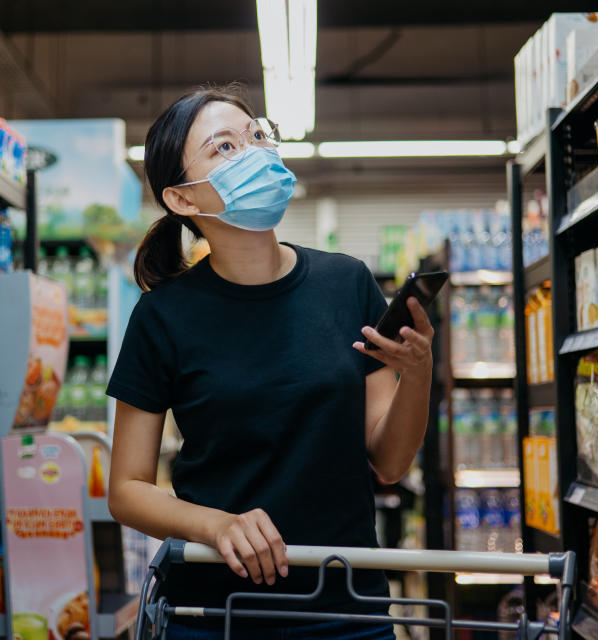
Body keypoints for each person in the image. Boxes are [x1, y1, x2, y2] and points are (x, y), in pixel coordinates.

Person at [107, 87, 434, 639]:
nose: (256, 151)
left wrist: (418, 374)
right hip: (215, 611)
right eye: (225, 147)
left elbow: (390, 461)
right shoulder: (163, 316)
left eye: (258, 135)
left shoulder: (347, 283)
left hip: (346, 605)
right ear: (184, 200)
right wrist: (217, 525)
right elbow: (127, 488)